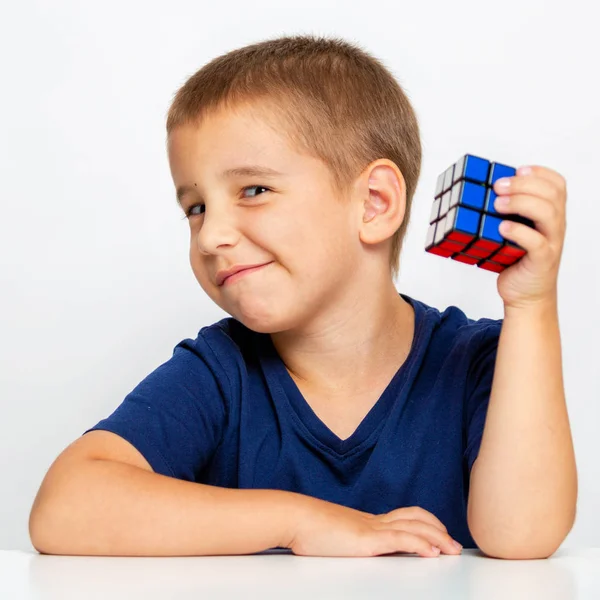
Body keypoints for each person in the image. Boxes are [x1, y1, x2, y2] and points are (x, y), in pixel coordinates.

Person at [29, 34, 576, 560]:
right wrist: (302, 521)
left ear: (374, 203)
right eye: (195, 207)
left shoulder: (478, 361)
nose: (210, 234)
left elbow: (523, 535)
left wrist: (531, 306)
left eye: (253, 190)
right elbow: (64, 508)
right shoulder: (220, 373)